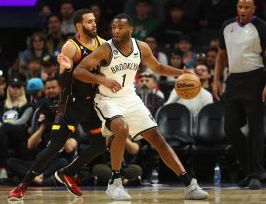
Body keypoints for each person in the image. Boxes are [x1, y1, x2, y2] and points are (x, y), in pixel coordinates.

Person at [73, 13, 209, 200]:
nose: (116, 31)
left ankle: (189, 184)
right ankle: (115, 182)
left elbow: (158, 67)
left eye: (120, 27)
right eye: (113, 27)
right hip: (106, 98)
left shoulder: (141, 47)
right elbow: (78, 71)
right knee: (121, 128)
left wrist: (181, 72)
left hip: (130, 97)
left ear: (131, 29)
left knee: (158, 140)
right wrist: (102, 80)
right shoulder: (106, 49)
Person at [8, 9, 107, 201]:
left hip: (89, 104)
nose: (94, 24)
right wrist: (68, 69)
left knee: (99, 145)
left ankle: (68, 173)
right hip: (68, 103)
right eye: (89, 22)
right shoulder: (71, 47)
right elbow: (63, 82)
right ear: (79, 25)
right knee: (55, 146)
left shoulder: (102, 44)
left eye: (94, 20)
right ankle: (23, 185)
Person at [213, 0, 266, 189]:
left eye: (247, 7)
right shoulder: (227, 26)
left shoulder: (261, 26)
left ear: (254, 9)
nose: (243, 10)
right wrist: (216, 80)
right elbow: (220, 56)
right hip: (234, 80)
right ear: (237, 7)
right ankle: (249, 169)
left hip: (257, 78)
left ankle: (256, 174)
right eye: (240, 7)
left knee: (255, 129)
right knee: (231, 128)